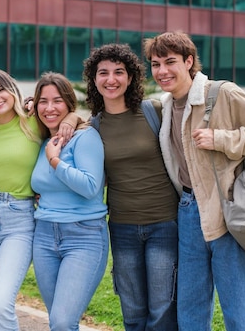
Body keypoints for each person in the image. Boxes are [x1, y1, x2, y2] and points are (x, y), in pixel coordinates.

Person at [143, 31, 245, 331]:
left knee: (240, 310)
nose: (162, 71)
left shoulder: (222, 93)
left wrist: (221, 138)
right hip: (187, 211)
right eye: (156, 64)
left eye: (170, 62)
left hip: (227, 210)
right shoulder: (164, 106)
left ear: (189, 61)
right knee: (190, 311)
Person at [0, 68, 76, 330]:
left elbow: (66, 112)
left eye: (1, 89)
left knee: (0, 301)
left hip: (19, 220)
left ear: (12, 89)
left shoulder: (33, 124)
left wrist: (71, 118)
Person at [83, 44, 178, 331]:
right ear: (94, 79)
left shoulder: (155, 111)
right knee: (133, 311)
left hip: (164, 223)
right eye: (103, 73)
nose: (111, 79)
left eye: (118, 72)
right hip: (122, 227)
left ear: (131, 77)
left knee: (162, 309)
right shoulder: (93, 126)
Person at [30, 72, 108, 331]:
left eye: (57, 101)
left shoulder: (85, 138)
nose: (50, 108)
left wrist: (56, 161)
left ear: (69, 104)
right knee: (58, 321)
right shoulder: (43, 141)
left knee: (63, 322)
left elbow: (90, 187)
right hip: (43, 236)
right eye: (43, 101)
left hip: (83, 235)